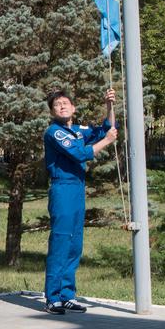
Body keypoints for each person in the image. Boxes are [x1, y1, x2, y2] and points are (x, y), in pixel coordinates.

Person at [43, 86, 118, 314]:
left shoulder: (77, 130)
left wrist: (109, 105)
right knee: (61, 241)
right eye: (57, 105)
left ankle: (67, 294)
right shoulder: (54, 132)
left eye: (65, 103)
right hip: (63, 189)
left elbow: (107, 128)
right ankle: (52, 296)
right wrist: (106, 141)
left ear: (73, 108)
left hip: (77, 189)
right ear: (53, 112)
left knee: (75, 243)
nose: (62, 106)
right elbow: (80, 153)